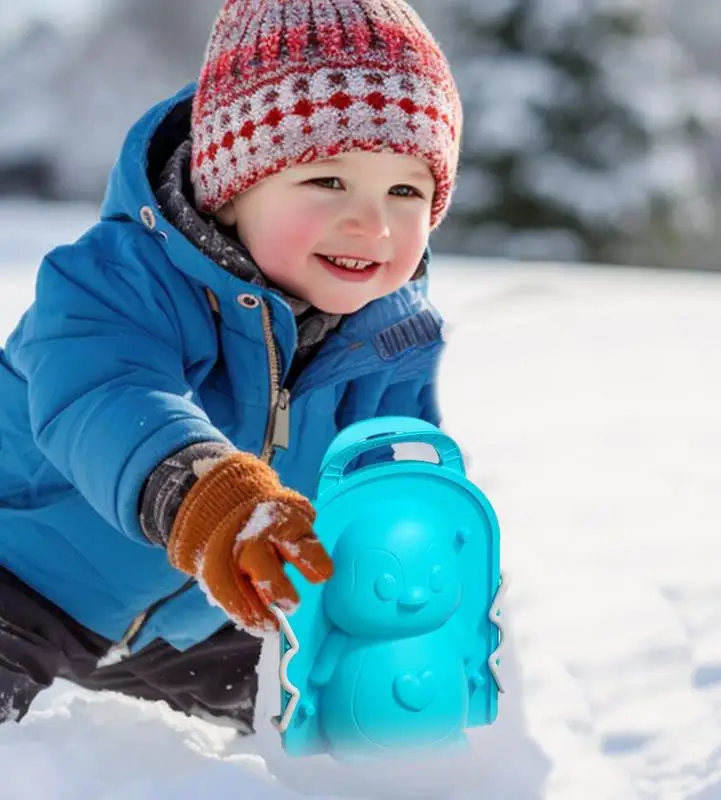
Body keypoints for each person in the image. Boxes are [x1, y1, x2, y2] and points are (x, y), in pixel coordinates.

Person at [0, 0, 461, 733]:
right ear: (232, 185)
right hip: (23, 575)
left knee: (334, 718)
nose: (372, 224)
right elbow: (103, 394)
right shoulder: (120, 278)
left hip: (201, 614)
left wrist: (401, 583)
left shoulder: (393, 344)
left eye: (405, 190)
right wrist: (207, 491)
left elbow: (386, 487)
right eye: (327, 182)